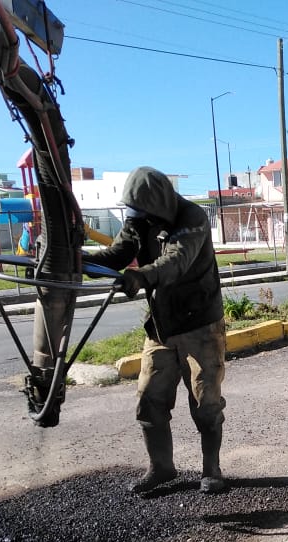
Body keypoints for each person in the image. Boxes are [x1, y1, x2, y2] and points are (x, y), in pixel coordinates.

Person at [88, 166, 227, 495]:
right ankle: (161, 468)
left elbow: (177, 260)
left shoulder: (192, 218)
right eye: (136, 215)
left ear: (159, 205)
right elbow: (119, 251)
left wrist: (141, 276)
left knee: (205, 402)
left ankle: (212, 469)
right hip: (161, 327)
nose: (140, 221)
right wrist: (83, 261)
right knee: (150, 398)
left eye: (145, 214)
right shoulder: (140, 220)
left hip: (200, 326)